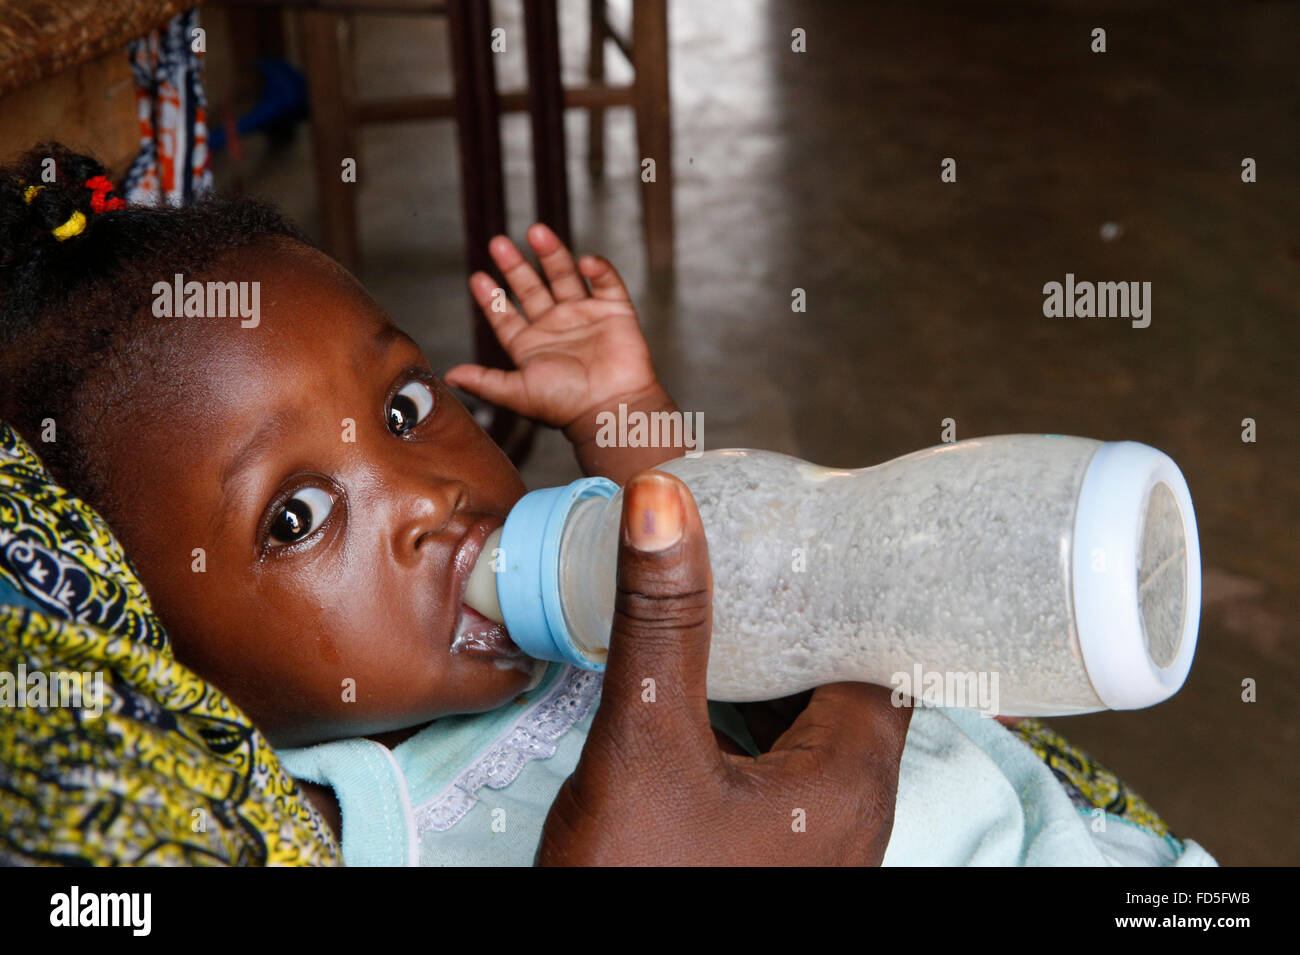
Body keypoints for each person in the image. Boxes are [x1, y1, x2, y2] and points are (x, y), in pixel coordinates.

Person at [0, 145, 1215, 866]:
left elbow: (732, 546)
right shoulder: (352, 819)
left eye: (409, 407)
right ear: (159, 650)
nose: (426, 496)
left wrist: (624, 410)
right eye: (299, 517)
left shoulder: (578, 600)